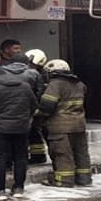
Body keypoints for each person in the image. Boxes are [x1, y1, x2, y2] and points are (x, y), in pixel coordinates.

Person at [0, 57, 38, 199]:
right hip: (22, 127)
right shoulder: (25, 86)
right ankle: (18, 188)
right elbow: (34, 104)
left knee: (0, 158)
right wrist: (26, 118)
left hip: (0, 128)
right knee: (20, 157)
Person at [38, 59, 91, 188]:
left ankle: (64, 181)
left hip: (60, 127)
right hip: (79, 125)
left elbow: (47, 106)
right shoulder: (79, 84)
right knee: (81, 153)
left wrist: (38, 114)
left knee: (62, 153)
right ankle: (84, 179)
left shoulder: (55, 84)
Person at [22, 50, 49, 165]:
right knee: (34, 133)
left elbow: (39, 93)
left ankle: (40, 156)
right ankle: (38, 156)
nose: (29, 66)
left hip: (38, 109)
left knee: (40, 132)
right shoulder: (37, 73)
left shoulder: (41, 75)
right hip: (35, 108)